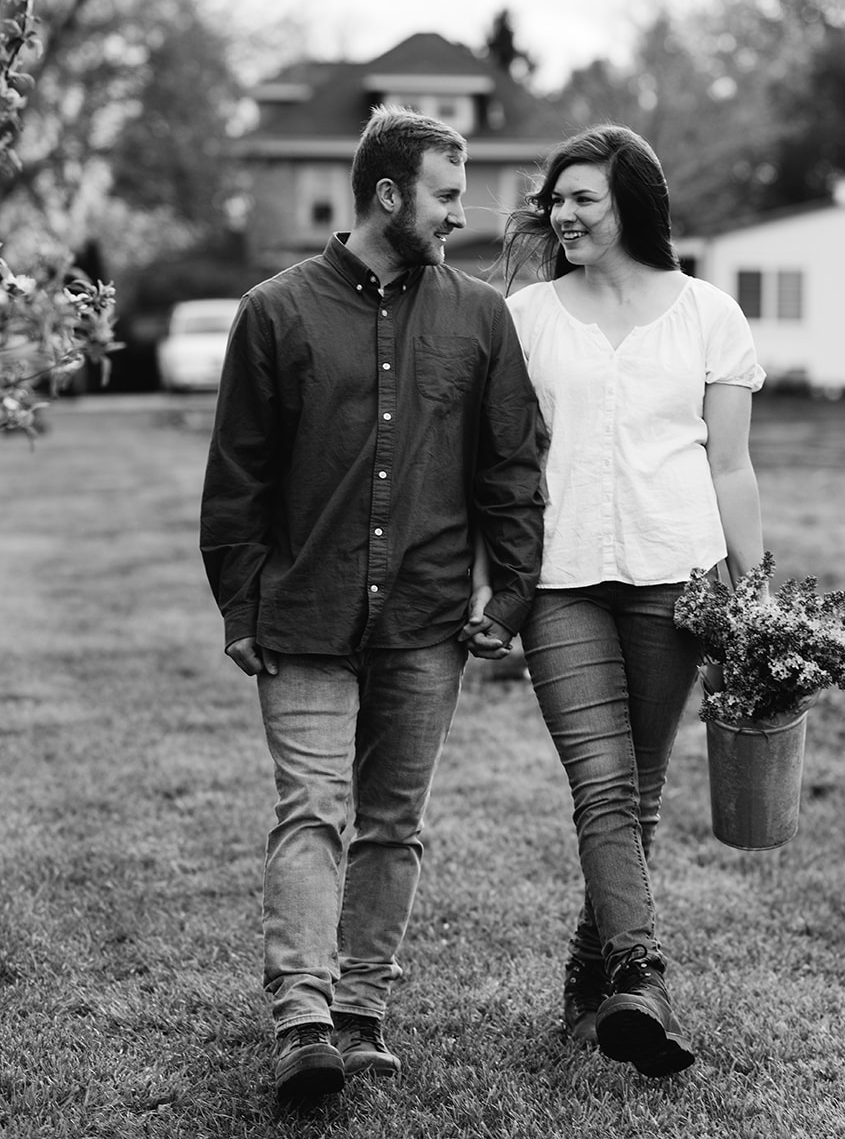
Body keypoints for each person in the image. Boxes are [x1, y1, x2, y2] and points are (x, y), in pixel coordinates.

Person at [200, 107, 544, 1108]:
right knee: (311, 810)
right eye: (446, 191)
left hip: (428, 619)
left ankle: (360, 1012)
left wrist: (512, 588)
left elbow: (509, 465)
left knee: (392, 823)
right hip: (302, 612)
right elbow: (239, 478)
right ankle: (302, 1022)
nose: (460, 210)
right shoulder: (275, 312)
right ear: (388, 194)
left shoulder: (481, 317)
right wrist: (239, 601)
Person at [498, 124, 766, 1078]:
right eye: (557, 199)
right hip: (560, 581)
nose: (563, 215)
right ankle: (642, 976)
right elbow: (503, 458)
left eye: (585, 199)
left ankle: (591, 972)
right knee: (603, 785)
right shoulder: (527, 316)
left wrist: (753, 597)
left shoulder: (708, 315)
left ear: (632, 206)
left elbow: (730, 465)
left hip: (677, 579)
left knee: (638, 795)